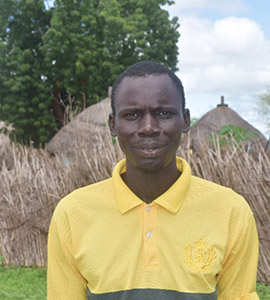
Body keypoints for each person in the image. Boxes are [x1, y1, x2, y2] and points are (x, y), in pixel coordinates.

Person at [47, 61, 259, 300]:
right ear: (113, 125)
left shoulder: (230, 211)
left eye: (164, 113)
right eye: (132, 115)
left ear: (185, 120)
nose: (148, 128)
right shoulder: (73, 214)